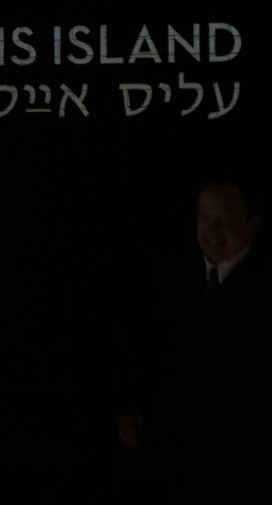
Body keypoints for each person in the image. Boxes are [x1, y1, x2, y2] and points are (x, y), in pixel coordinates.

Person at [113, 177, 271, 504]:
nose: (212, 232)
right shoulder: (172, 273)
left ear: (253, 223)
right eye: (205, 219)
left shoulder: (263, 288)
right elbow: (144, 346)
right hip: (168, 450)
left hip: (242, 461)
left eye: (224, 222)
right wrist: (129, 404)